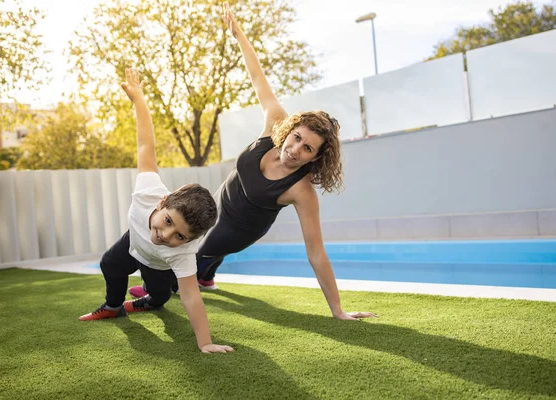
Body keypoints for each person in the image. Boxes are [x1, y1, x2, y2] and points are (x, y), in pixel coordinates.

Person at [130, 3, 376, 321]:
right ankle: (206, 276)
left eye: (308, 150)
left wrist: (338, 310)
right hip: (223, 199)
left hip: (239, 228)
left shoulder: (301, 190)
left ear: (315, 159)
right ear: (291, 130)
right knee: (198, 230)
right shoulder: (275, 123)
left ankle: (161, 287)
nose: (295, 150)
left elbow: (316, 251)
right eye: (297, 138)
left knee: (193, 246)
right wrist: (240, 36)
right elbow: (258, 78)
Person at [79, 68, 234, 354]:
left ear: (188, 241)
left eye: (179, 236)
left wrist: (206, 342)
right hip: (134, 241)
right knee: (109, 264)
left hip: (160, 264)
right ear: (162, 203)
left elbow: (191, 297)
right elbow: (144, 144)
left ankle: (152, 298)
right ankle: (114, 306)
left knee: (160, 295)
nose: (165, 235)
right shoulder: (149, 189)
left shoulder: (182, 252)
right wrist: (138, 99)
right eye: (167, 222)